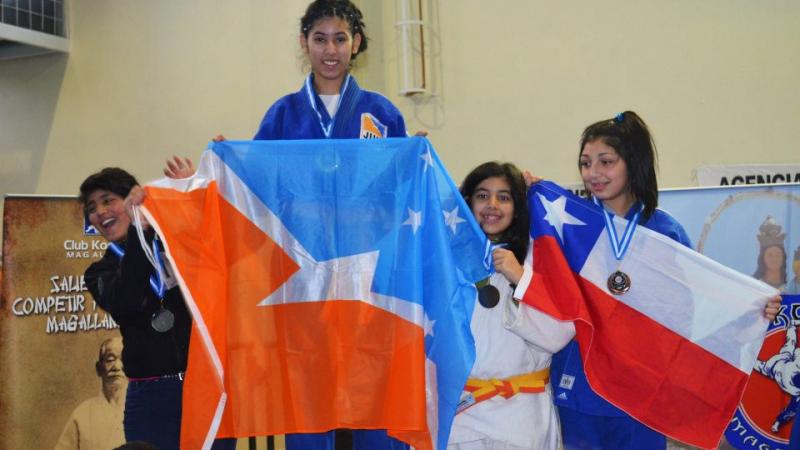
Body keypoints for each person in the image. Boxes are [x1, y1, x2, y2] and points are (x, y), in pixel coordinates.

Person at [524, 111, 782, 450]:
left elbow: (695, 305)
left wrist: (752, 308)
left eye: (606, 162)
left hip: (642, 388)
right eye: (586, 163)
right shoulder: (569, 226)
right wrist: (524, 192)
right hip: (580, 385)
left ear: (632, 162)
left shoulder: (665, 231)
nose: (593, 173)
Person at [79, 168, 235, 450]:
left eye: (107, 200)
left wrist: (189, 196)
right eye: (92, 208)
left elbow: (221, 242)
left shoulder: (177, 244)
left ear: (134, 199)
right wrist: (141, 231)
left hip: (205, 389)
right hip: (150, 399)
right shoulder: (100, 272)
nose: (100, 212)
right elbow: (128, 299)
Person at [449, 162, 574, 450]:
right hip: (461, 413)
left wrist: (521, 278)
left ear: (518, 208)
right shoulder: (447, 259)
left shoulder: (541, 257)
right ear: (466, 202)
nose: (492, 205)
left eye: (504, 197)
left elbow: (559, 334)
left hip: (521, 415)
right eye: (482, 196)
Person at [54, 337, 127, 450]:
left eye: (124, 359)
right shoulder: (82, 414)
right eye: (110, 359)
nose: (117, 366)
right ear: (99, 368)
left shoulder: (144, 410)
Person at [754, 322, 800, 433]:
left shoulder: (797, 393)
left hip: (770, 368)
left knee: (752, 363)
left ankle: (792, 326)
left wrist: (778, 423)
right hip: (783, 359)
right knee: (791, 343)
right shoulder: (798, 364)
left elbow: (791, 411)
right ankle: (792, 325)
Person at [754, 216, 788, 291]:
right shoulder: (754, 287)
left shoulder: (791, 288)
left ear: (783, 258)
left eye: (778, 255)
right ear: (763, 258)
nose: (774, 259)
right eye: (770, 255)